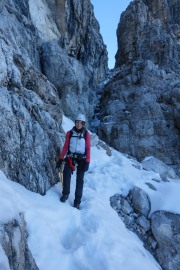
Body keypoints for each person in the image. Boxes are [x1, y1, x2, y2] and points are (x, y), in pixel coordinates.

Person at [56, 114, 90, 209]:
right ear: (75, 122)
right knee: (66, 173)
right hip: (71, 157)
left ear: (83, 124)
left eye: (80, 122)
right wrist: (61, 159)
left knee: (80, 180)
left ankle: (77, 201)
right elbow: (65, 147)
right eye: (77, 122)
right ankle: (65, 194)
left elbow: (88, 149)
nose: (78, 124)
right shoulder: (70, 133)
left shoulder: (86, 134)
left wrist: (87, 161)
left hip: (82, 159)